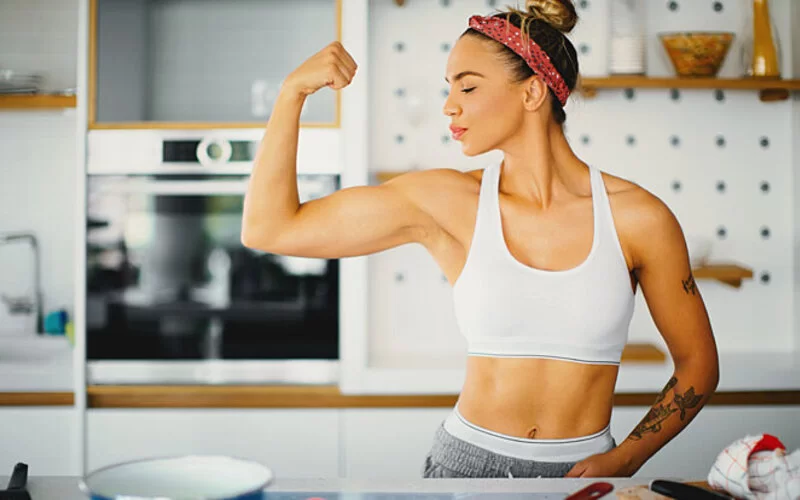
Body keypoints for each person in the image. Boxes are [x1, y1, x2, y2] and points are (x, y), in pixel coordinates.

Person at [241, 0, 720, 479]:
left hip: (586, 474)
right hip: (465, 469)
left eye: (468, 86)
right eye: (449, 88)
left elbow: (697, 364)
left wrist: (624, 459)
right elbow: (270, 228)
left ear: (533, 92)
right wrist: (292, 93)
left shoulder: (639, 218)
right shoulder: (446, 200)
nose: (449, 105)